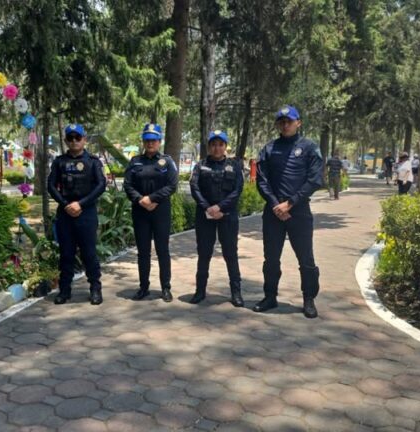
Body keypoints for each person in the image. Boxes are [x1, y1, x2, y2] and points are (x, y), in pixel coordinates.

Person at [255, 105, 324, 318]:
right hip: (273, 213)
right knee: (271, 258)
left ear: (298, 122)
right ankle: (270, 296)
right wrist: (277, 204)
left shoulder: (309, 147)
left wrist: (291, 203)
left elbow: (315, 180)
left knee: (306, 259)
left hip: (299, 212)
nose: (285, 125)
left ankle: (308, 299)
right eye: (281, 122)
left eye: (289, 121)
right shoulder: (269, 149)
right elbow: (262, 180)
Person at [47, 124, 106, 305]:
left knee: (89, 254)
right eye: (70, 138)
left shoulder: (94, 162)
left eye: (77, 138)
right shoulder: (59, 162)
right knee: (66, 254)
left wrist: (80, 204)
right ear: (66, 141)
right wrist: (66, 204)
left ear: (84, 140)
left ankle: (95, 289)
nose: (74, 141)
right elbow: (51, 186)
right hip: (65, 213)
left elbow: (101, 185)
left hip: (86, 213)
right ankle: (64, 291)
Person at [188, 130, 244, 307]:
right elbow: (194, 188)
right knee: (204, 254)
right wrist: (208, 208)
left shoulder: (234, 166)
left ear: (225, 146)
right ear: (209, 146)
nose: (217, 148)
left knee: (230, 254)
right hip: (205, 216)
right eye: (213, 144)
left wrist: (220, 207)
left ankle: (236, 293)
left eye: (220, 144)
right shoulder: (200, 165)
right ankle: (200, 291)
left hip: (227, 215)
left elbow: (237, 190)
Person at [124, 123, 178, 302]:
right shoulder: (135, 162)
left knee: (163, 250)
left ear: (159, 141)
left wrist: (153, 199)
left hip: (160, 211)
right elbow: (128, 185)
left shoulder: (167, 161)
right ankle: (143, 287)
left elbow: (172, 185)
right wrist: (141, 200)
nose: (150, 143)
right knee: (143, 252)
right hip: (140, 211)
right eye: (147, 140)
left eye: (154, 140)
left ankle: (166, 287)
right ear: (143, 141)